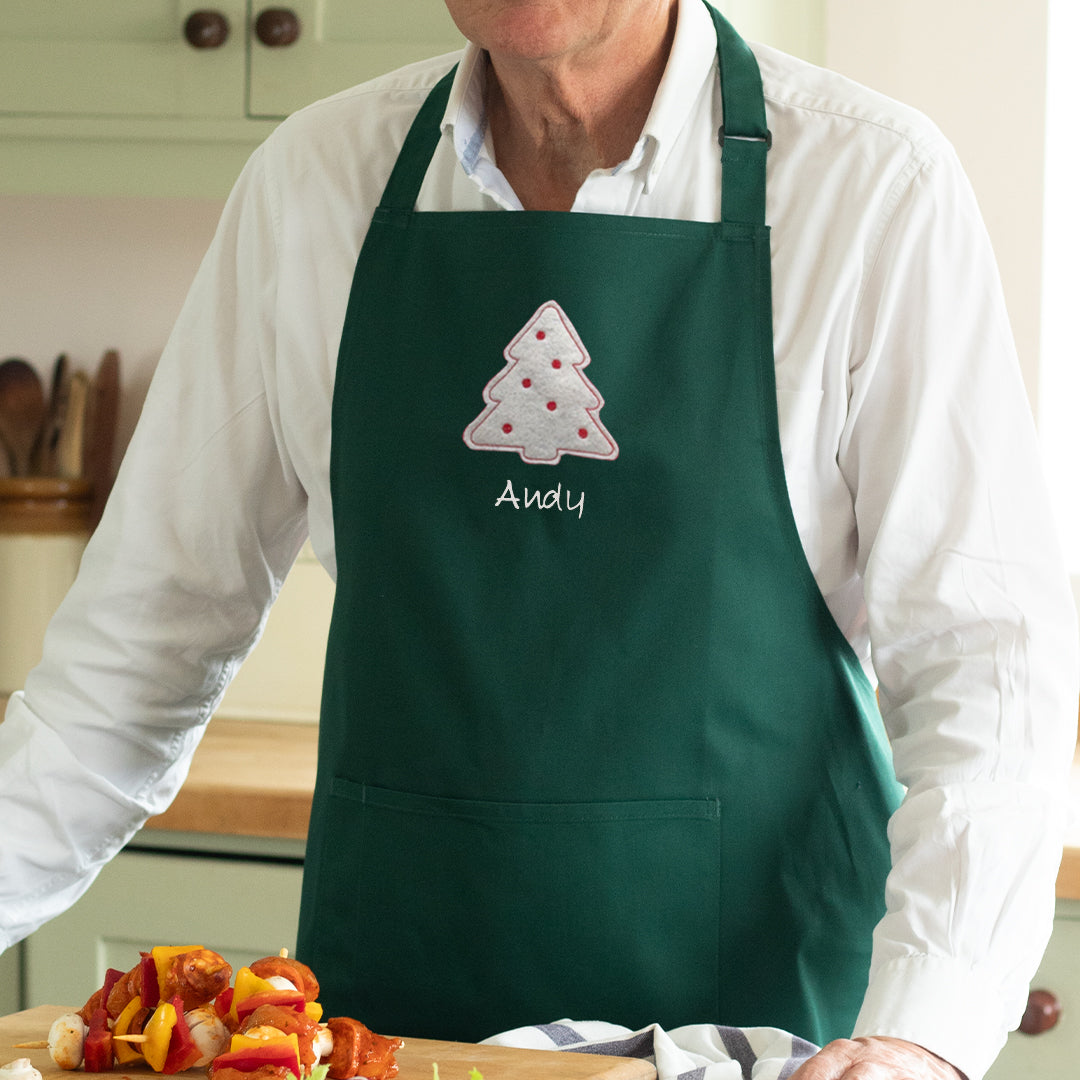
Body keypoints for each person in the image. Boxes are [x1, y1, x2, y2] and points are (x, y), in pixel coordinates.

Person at [0, 1, 1076, 1078]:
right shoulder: (311, 186)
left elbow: (988, 674)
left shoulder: (870, 187)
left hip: (763, 1048)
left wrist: (918, 1039)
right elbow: (130, 663)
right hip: (391, 1041)